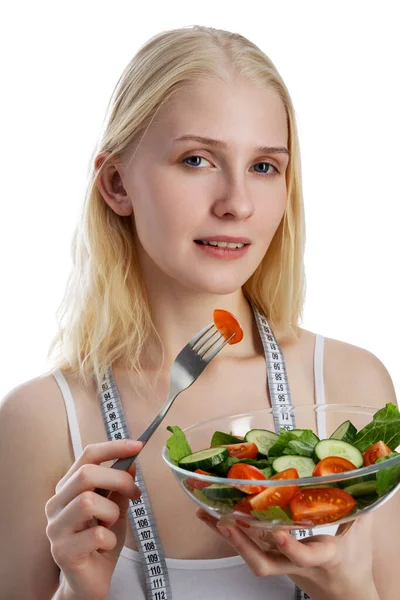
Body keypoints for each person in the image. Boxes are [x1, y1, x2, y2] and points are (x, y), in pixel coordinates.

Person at [0, 24, 398, 600]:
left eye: (265, 166)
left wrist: (349, 588)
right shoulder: (38, 421)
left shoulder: (349, 384)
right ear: (116, 183)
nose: (236, 203)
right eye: (197, 159)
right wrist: (79, 593)